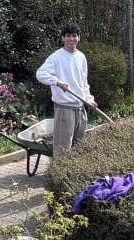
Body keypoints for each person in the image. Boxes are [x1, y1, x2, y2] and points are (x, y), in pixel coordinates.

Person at [35, 26, 100, 158]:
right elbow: (40, 74)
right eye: (68, 36)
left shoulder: (81, 57)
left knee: (79, 147)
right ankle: (58, 170)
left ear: (79, 38)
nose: (71, 39)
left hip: (80, 108)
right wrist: (57, 82)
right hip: (65, 109)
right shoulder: (56, 57)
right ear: (63, 38)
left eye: (74, 36)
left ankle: (74, 170)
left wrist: (89, 99)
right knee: (63, 149)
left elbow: (83, 83)